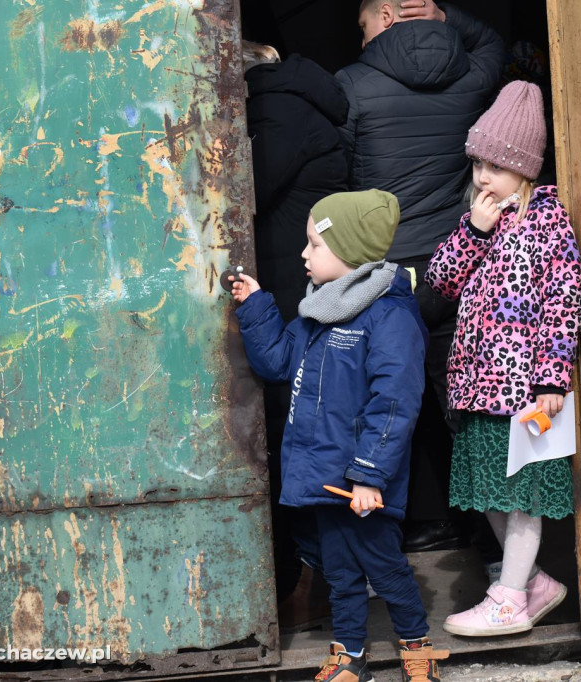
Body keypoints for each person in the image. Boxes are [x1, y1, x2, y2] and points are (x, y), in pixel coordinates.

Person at [230, 190, 449, 681]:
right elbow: (277, 362)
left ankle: (417, 648)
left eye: (315, 244)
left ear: (350, 252)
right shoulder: (319, 309)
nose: (304, 255)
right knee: (339, 573)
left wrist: (370, 475)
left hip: (363, 481)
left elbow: (394, 403)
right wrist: (256, 305)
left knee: (386, 568)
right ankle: (349, 654)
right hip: (325, 476)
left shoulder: (389, 316)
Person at [338, 0, 506, 553]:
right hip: (459, 265)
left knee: (386, 400)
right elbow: (495, 46)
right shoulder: (470, 77)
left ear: (385, 16)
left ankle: (391, 531)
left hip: (388, 275)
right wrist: (449, 15)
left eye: (363, 26)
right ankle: (493, 543)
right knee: (458, 400)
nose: (361, 40)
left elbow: (341, 174)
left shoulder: (352, 84)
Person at [424, 81, 581, 636]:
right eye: (478, 164)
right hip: (475, 386)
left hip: (522, 390)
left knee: (520, 495)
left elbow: (563, 303)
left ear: (524, 168)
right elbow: (440, 280)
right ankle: (534, 583)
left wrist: (552, 377)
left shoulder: (549, 222)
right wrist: (474, 230)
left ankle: (510, 598)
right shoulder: (481, 221)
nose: (483, 177)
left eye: (496, 166)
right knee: (490, 488)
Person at [242, 41, 350, 629]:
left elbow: (237, 189)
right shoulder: (299, 100)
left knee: (298, 433)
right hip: (297, 286)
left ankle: (315, 580)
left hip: (297, 289)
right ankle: (316, 577)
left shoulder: (277, 110)